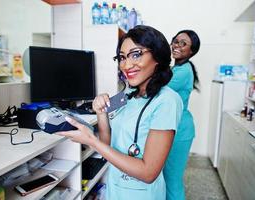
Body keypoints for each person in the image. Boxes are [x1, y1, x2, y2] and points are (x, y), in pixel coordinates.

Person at [58, 25, 183, 200]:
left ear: (158, 56)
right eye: (122, 57)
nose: (126, 64)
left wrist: (91, 141)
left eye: (136, 54)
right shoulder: (126, 95)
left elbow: (148, 173)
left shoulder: (167, 101)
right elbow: (107, 144)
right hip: (116, 188)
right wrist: (100, 112)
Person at [163, 30, 200, 200]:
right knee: (166, 178)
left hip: (180, 131)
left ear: (191, 51)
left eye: (183, 43)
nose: (177, 45)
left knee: (172, 180)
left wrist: (113, 103)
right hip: (173, 128)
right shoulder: (176, 68)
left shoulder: (183, 72)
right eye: (175, 41)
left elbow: (150, 90)